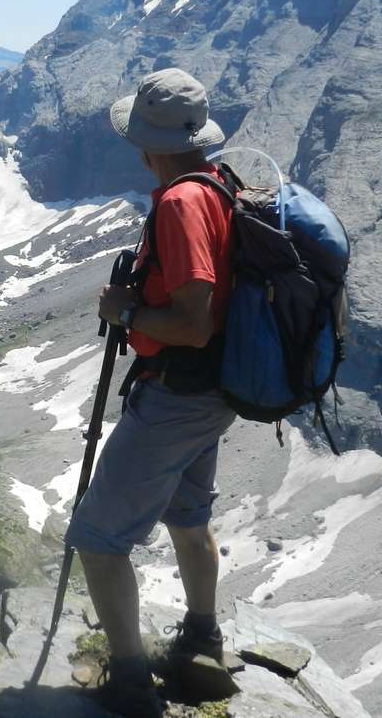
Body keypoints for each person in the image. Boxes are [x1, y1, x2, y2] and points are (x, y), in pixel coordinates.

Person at [64, 68, 238, 717]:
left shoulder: (179, 203)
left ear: (147, 143)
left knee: (99, 538)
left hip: (179, 395)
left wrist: (126, 315)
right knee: (189, 518)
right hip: (215, 390)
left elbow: (193, 322)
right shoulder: (220, 184)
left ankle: (132, 681)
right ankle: (201, 637)